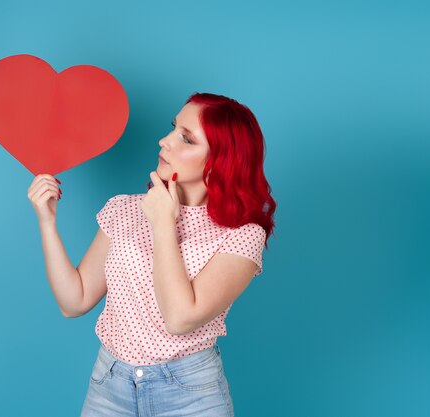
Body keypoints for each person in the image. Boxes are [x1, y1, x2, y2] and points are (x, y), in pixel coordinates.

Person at [27, 92, 277, 416]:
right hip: (109, 386)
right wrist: (47, 222)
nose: (164, 141)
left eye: (185, 139)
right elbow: (74, 301)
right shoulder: (124, 209)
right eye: (173, 128)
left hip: (189, 395)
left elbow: (179, 317)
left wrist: (163, 222)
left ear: (220, 162)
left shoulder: (241, 236)